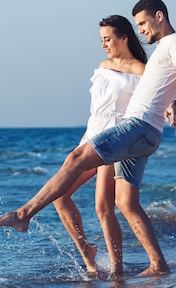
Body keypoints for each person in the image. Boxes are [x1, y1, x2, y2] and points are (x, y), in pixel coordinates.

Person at [0, 0, 176, 277]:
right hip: (144, 132)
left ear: (159, 16)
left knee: (76, 159)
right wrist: (171, 106)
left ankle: (24, 214)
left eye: (143, 23)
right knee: (125, 203)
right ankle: (158, 264)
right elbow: (165, 87)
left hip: (138, 126)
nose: (141, 30)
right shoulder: (162, 49)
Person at [53, 15, 146, 276]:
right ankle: (87, 253)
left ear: (123, 38)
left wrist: (173, 108)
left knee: (103, 206)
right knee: (60, 196)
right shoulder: (104, 65)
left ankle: (117, 270)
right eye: (101, 40)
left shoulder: (141, 70)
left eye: (107, 39)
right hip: (91, 135)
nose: (103, 44)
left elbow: (153, 100)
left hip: (115, 139)